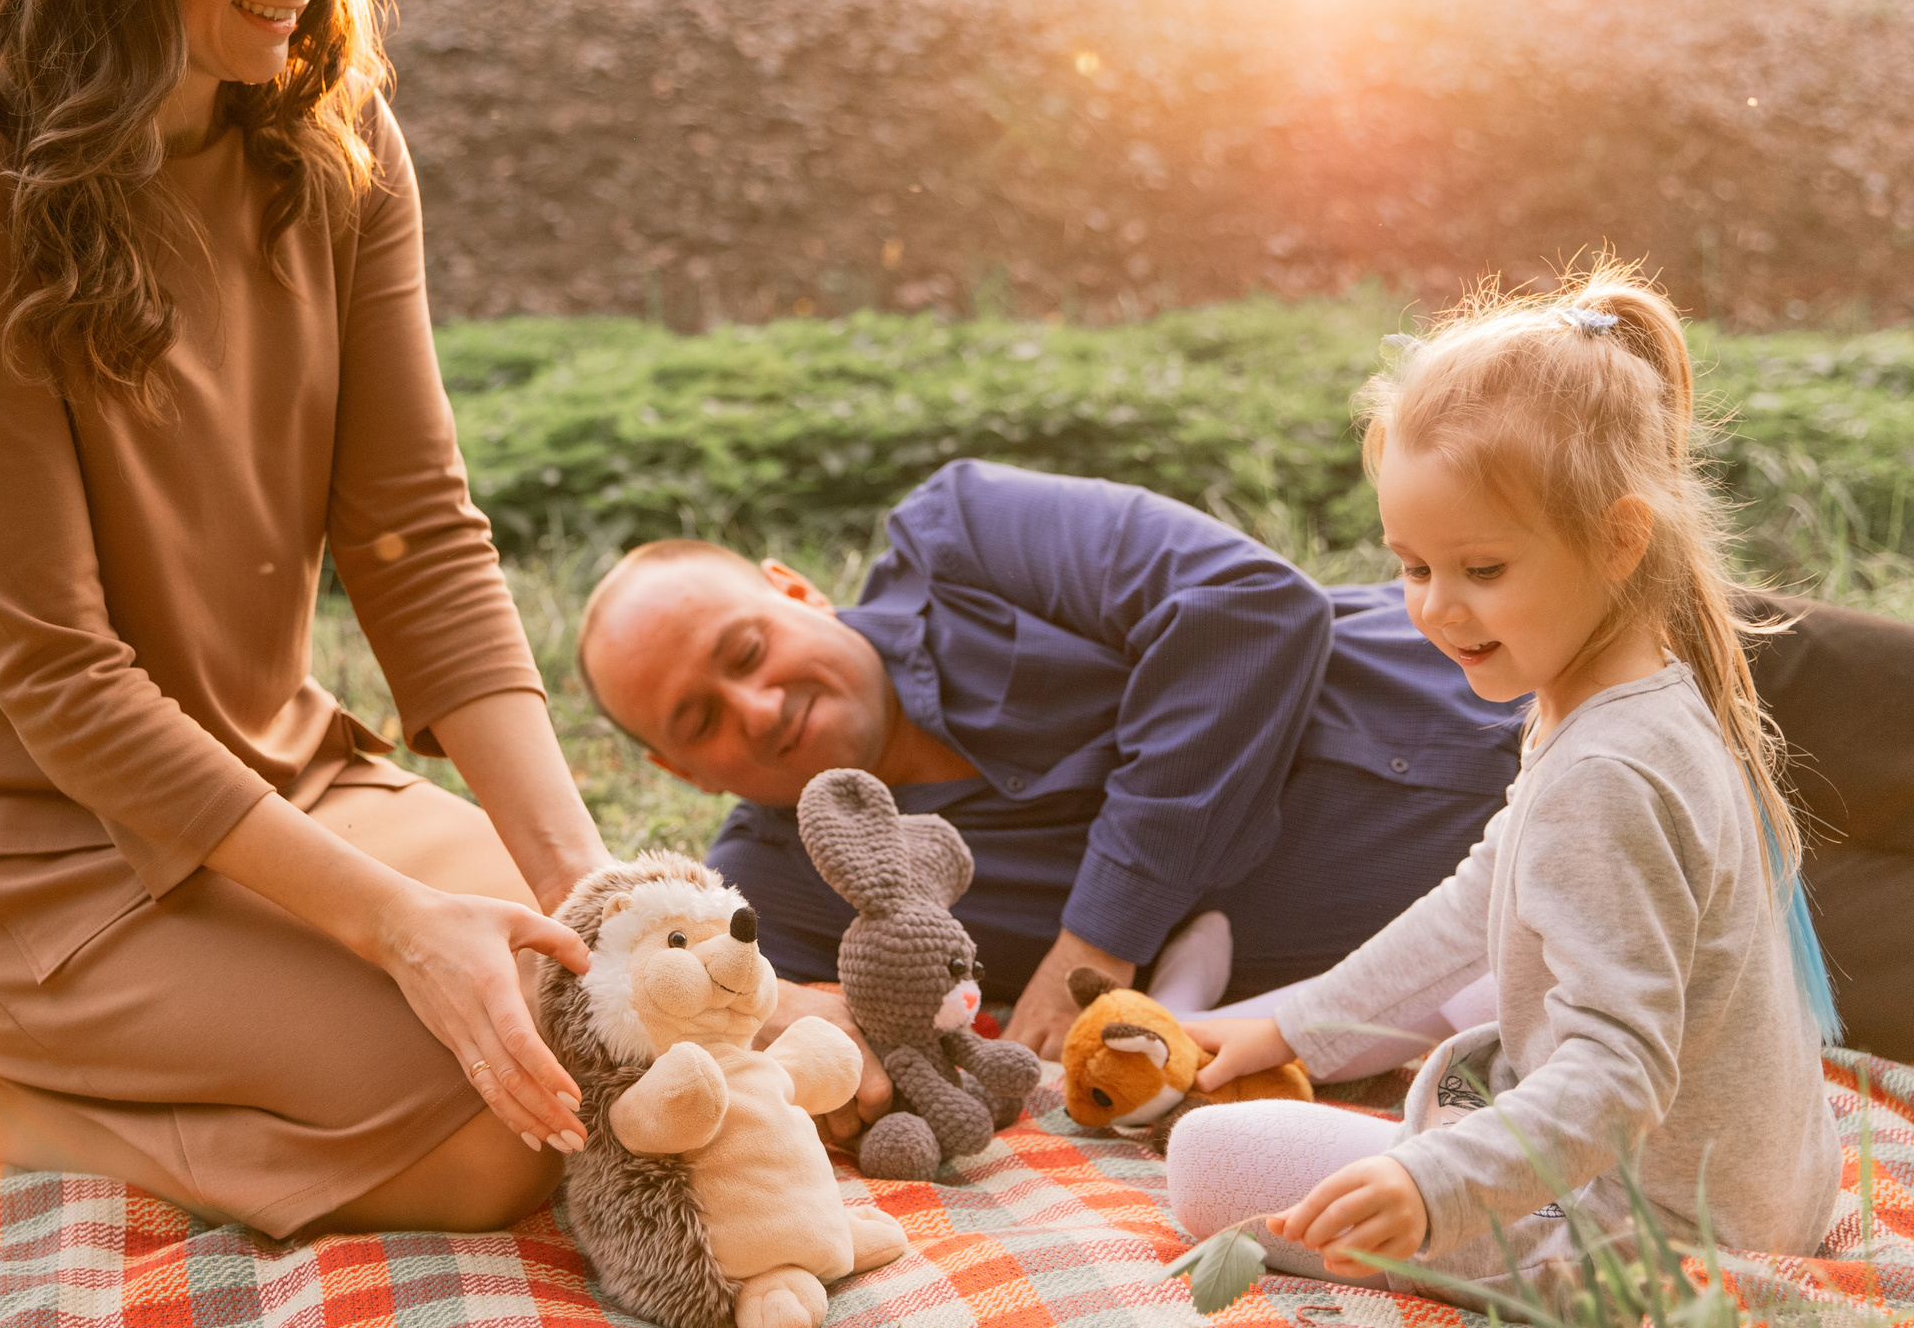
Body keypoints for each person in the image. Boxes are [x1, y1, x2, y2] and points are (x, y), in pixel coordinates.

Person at [0, 0, 612, 1240]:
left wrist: (597, 895)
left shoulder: (338, 149)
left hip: (288, 782)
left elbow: (420, 540)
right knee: (494, 1147)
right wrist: (400, 928)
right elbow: (56, 673)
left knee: (587, 1024)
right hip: (20, 852)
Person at [575, 481, 1914, 1076]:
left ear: (790, 588)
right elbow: (807, 1032)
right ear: (663, 763)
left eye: (748, 648)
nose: (757, 707)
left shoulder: (964, 535)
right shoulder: (775, 886)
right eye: (699, 716)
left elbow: (1245, 603)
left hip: (1621, 668)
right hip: (1611, 927)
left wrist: (1098, 937)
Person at [1165, 266, 1841, 1292]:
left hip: (1656, 1234)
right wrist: (1290, 1022)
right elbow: (1485, 892)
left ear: (1620, 540)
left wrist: (1435, 1184)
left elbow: (1617, 1072)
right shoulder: (1627, 694)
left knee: (1207, 1162)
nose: (1436, 610)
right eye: (1412, 567)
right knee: (1500, 960)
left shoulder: (1608, 773)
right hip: (1762, 1178)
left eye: (1480, 570)